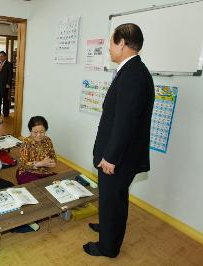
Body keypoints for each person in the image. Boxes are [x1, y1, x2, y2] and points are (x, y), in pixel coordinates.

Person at [84, 23, 154, 258]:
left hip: (119, 157)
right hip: (120, 153)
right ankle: (108, 229)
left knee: (114, 199)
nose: (110, 49)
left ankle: (108, 247)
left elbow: (126, 123)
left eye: (111, 43)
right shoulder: (132, 70)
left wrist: (111, 157)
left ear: (122, 43)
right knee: (112, 198)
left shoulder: (133, 74)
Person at [17, 116, 56, 184]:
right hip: (27, 172)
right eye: (35, 132)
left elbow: (53, 157)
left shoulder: (48, 140)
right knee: (36, 185)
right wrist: (41, 163)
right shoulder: (26, 142)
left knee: (57, 182)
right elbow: (23, 164)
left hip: (44, 171)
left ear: (45, 130)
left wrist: (52, 163)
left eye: (42, 132)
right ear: (30, 131)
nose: (38, 135)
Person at [0, 51, 13, 117]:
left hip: (5, 84)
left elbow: (10, 75)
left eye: (1, 56)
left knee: (5, 99)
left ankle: (6, 113)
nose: (0, 57)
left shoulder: (9, 64)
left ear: (5, 56)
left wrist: (8, 83)